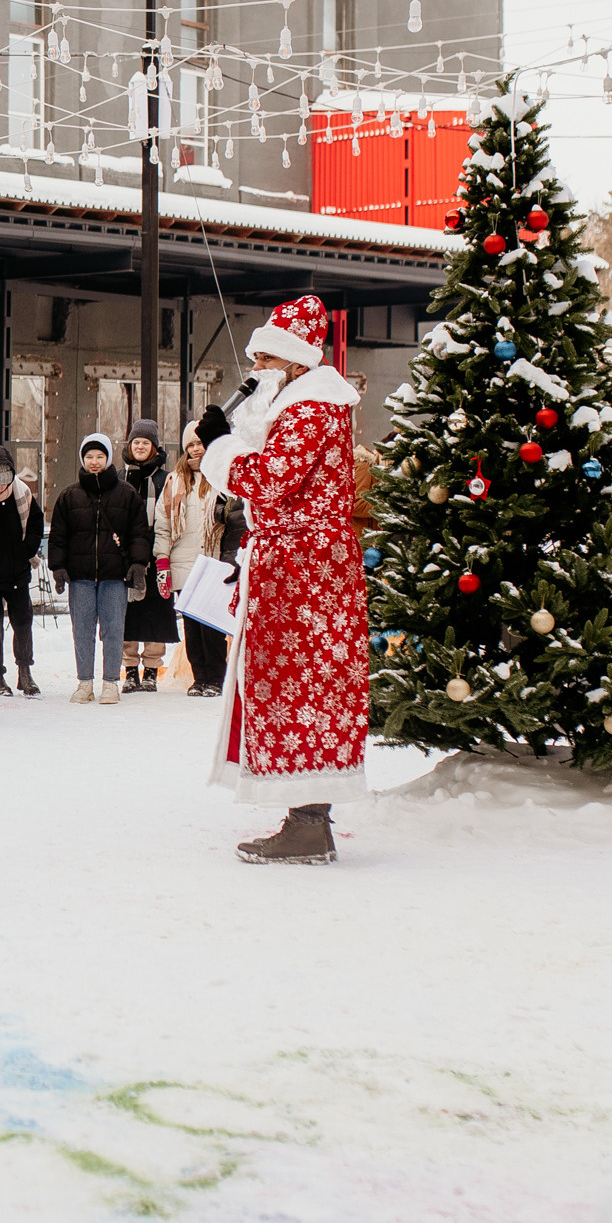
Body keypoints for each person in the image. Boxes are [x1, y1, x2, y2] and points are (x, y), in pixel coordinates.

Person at [197, 294, 367, 865]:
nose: (256, 372)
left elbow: (271, 480)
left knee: (302, 685)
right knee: (299, 683)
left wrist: (220, 448)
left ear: (294, 363)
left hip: (304, 574)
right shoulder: (303, 406)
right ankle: (305, 816)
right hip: (300, 567)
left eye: (264, 360)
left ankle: (309, 822)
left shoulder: (310, 409)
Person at [48, 433, 150, 706]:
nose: (94, 462)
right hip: (80, 576)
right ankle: (84, 683)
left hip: (114, 575)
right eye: (89, 457)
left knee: (113, 629)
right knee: (82, 630)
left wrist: (138, 564)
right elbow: (59, 535)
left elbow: (139, 532)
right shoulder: (69, 495)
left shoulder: (126, 493)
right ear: (83, 459)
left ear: (108, 459)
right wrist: (58, 567)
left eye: (100, 456)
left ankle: (110, 684)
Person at [158, 423, 235, 699]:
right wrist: (162, 562)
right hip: (184, 564)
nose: (195, 449)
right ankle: (200, 677)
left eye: (199, 444)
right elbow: (163, 525)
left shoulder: (223, 478)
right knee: (191, 628)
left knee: (211, 628)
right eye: (190, 444)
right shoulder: (175, 481)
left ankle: (216, 677)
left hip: (212, 563)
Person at [0, 444, 45, 697]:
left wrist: (27, 549)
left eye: (4, 479)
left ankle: (25, 672)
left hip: (17, 573)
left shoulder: (22, 492)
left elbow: (36, 523)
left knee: (23, 623)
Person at [119, 419, 178, 692]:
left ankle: (152, 669)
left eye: (146, 443)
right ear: (130, 446)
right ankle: (130, 669)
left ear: (154, 447)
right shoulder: (119, 477)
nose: (140, 447)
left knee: (156, 613)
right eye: (136, 442)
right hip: (124, 555)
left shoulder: (167, 478)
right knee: (126, 613)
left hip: (157, 556)